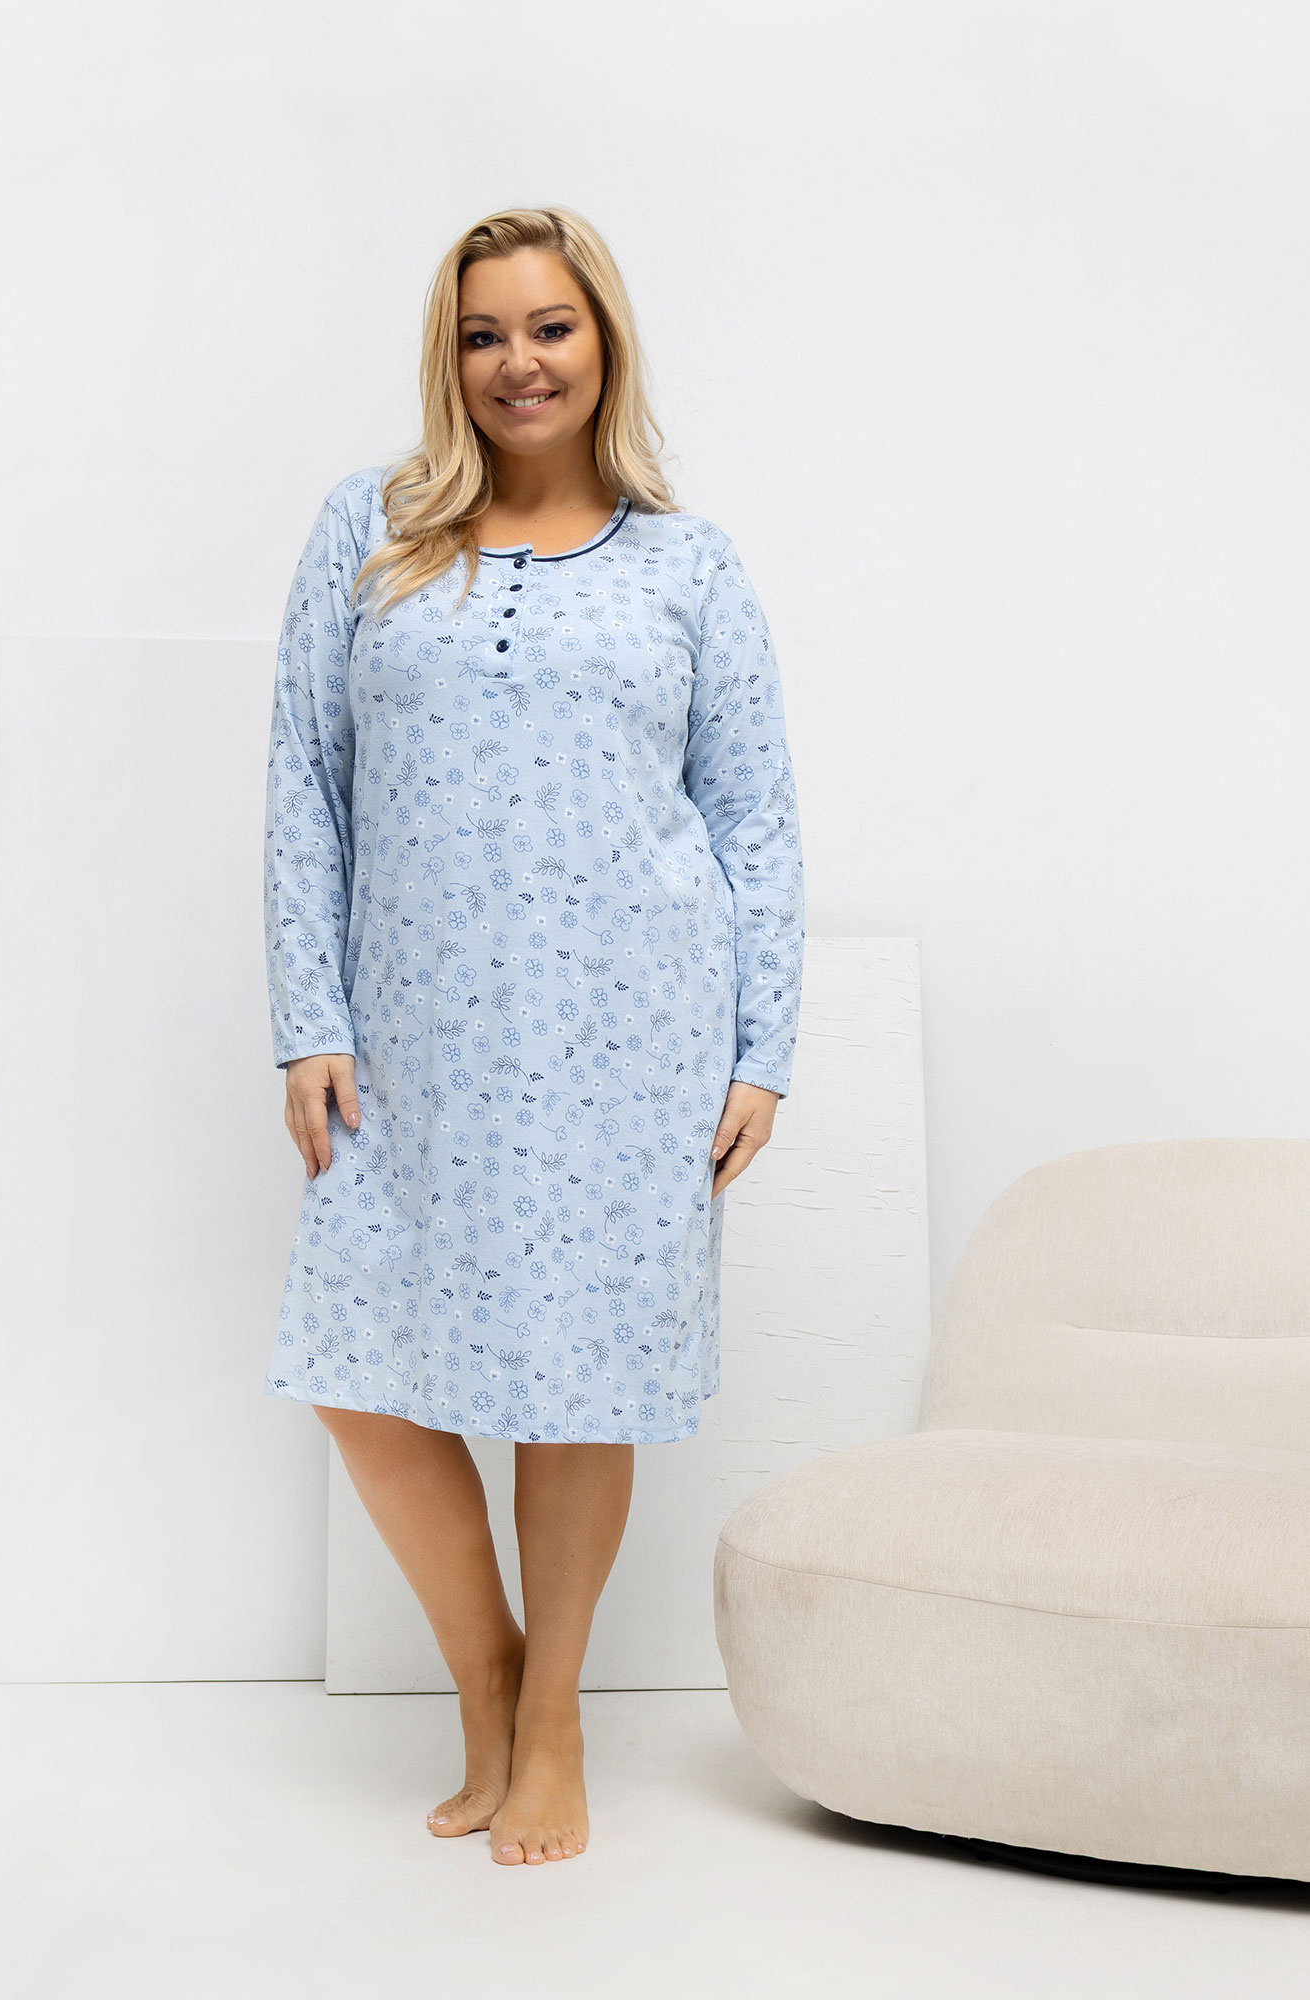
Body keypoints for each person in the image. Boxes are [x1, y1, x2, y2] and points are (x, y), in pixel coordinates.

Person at [261, 204, 806, 1865]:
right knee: (362, 1377)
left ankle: (551, 1712)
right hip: (410, 1043)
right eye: (485, 333)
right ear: (451, 356)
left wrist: (761, 1050)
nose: (520, 362)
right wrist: (307, 1019)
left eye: (550, 327)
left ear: (603, 341)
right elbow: (305, 787)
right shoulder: (369, 532)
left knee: (577, 1386)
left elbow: (754, 816)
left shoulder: (687, 566)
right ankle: (485, 1675)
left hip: (629, 1036)